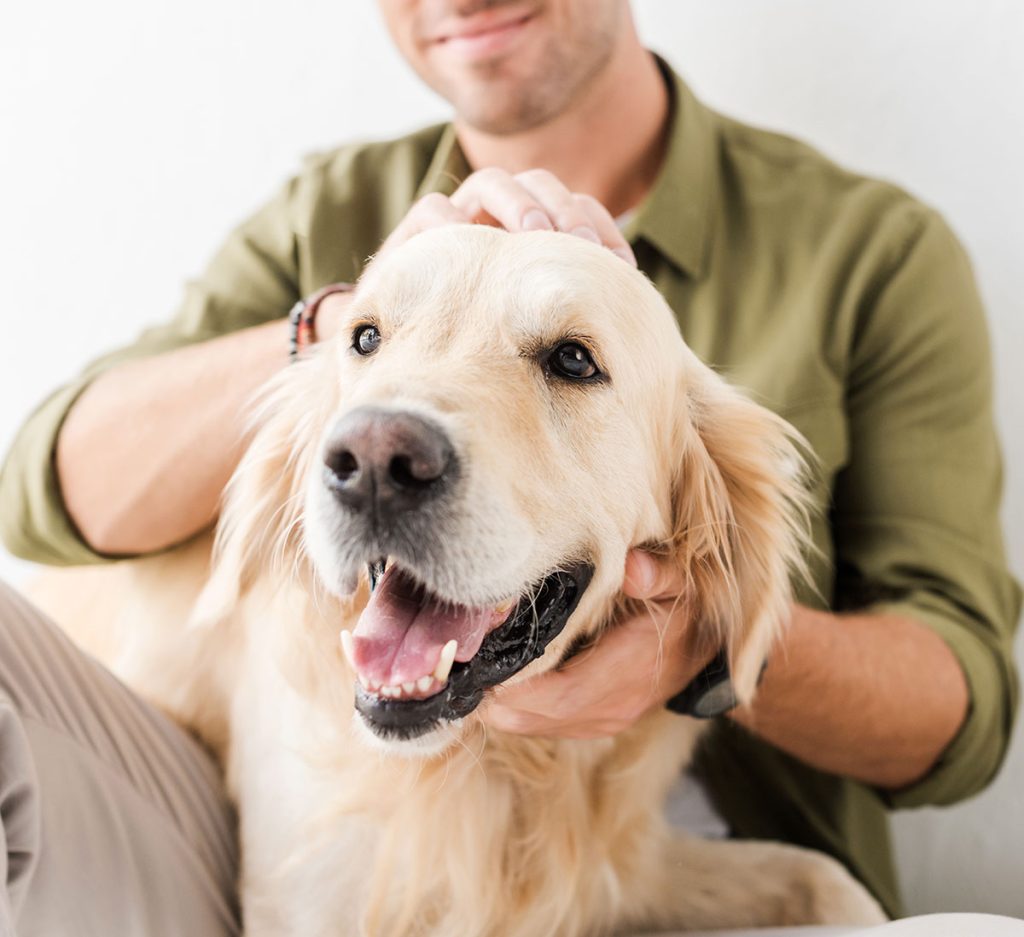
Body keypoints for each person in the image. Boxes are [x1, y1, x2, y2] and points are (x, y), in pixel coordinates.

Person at [0, 1, 1019, 933]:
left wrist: (704, 644)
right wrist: (341, 323)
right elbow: (39, 490)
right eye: (375, 352)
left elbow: (957, 722)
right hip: (214, 826)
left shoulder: (870, 253)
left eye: (569, 361)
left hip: (659, 850)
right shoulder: (328, 211)